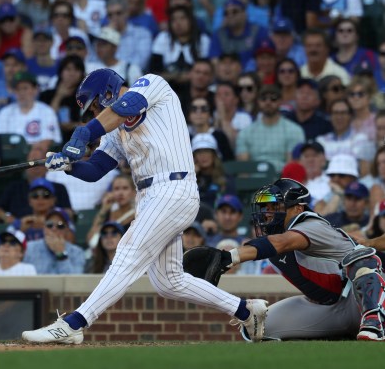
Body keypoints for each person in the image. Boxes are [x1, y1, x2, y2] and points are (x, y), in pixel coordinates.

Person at [22, 68, 268, 344]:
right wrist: (69, 166)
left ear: (107, 93)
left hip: (174, 188)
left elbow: (130, 105)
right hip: (150, 197)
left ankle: (75, 324)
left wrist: (82, 134)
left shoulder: (152, 84)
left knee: (127, 252)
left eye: (94, 105)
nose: (94, 114)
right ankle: (247, 310)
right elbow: (97, 169)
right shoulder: (113, 130)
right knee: (169, 281)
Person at [215, 178, 385, 341]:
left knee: (363, 259)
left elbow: (282, 242)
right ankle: (344, 331)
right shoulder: (277, 234)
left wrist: (229, 257)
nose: (268, 212)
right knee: (258, 325)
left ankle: (374, 321)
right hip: (331, 307)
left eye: (275, 206)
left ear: (297, 208)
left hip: (360, 298)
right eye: (265, 206)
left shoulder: (311, 224)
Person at [236, 85, 305, 172]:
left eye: (273, 99)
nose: (268, 102)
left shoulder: (294, 130)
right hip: (253, 181)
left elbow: (292, 166)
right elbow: (243, 169)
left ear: (280, 101)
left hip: (282, 181)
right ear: (258, 102)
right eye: (263, 99)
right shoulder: (245, 133)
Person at [23, 208, 85, 275]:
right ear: (44, 228)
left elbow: (74, 282)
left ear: (66, 229)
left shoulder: (77, 252)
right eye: (49, 224)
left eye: (60, 225)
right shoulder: (29, 248)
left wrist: (61, 254)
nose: (54, 228)